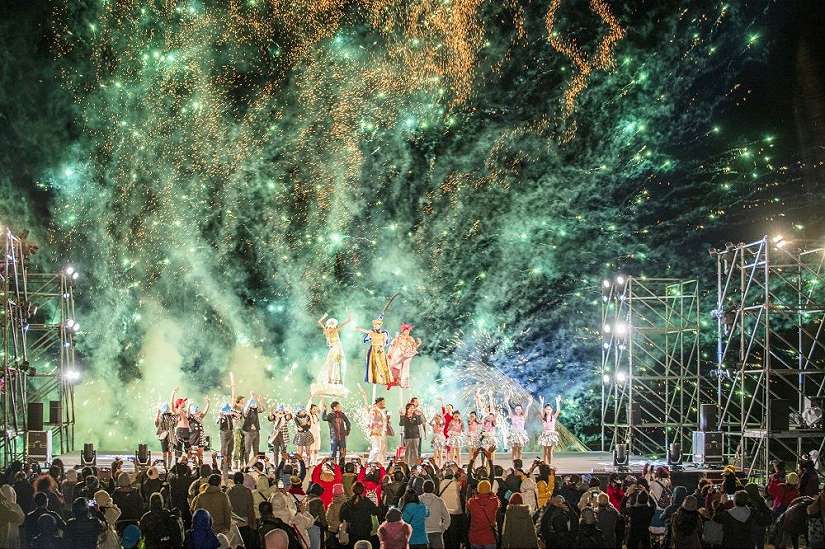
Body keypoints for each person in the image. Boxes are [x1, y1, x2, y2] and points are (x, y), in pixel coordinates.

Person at [340, 481, 380, 546]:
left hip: (352, 531)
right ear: (363, 490)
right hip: (366, 530)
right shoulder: (367, 502)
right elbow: (376, 512)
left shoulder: (347, 503)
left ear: (353, 490)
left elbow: (342, 517)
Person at [317, 312, 352, 387]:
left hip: (337, 348)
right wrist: (324, 316)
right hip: (334, 348)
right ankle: (331, 379)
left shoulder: (334, 330)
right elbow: (319, 322)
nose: (330, 328)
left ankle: (336, 380)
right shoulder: (327, 331)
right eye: (329, 326)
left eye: (332, 326)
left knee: (336, 363)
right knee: (331, 363)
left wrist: (349, 318)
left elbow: (345, 323)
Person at [386, 322, 422, 390]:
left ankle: (403, 383)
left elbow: (414, 348)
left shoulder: (410, 338)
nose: (407, 332)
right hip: (398, 354)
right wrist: (390, 353)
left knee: (405, 368)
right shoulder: (399, 338)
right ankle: (392, 381)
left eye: (408, 331)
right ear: (403, 331)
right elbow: (394, 346)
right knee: (396, 366)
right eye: (405, 331)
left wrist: (418, 344)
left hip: (406, 355)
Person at [358, 317, 392, 385]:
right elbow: (366, 331)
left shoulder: (384, 333)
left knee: (381, 364)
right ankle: (374, 378)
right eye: (375, 325)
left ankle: (383, 379)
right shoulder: (372, 332)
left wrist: (381, 347)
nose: (375, 326)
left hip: (380, 350)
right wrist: (359, 329)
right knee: (373, 364)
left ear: (380, 326)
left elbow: (385, 343)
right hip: (373, 349)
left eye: (377, 325)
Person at [467, 480, 499, 549]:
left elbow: (469, 504)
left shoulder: (472, 502)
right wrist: (492, 494)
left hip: (475, 537)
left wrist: (476, 495)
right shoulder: (494, 502)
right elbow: (497, 500)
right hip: (489, 538)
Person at [227, 471, 256, 545]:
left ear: (234, 480)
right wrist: (253, 524)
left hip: (233, 523)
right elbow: (250, 509)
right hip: (245, 522)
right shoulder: (247, 491)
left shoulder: (229, 491)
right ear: (242, 480)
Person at [419, 479, 450, 548]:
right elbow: (447, 517)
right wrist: (443, 528)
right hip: (437, 532)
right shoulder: (439, 501)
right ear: (434, 489)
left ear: (423, 488)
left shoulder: (418, 500)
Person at [505, 395, 532, 462]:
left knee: (520, 450)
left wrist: (529, 402)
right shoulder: (512, 416)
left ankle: (519, 464)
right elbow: (508, 408)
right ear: (515, 410)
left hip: (521, 434)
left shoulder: (524, 416)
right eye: (517, 409)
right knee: (514, 450)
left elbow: (527, 408)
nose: (518, 410)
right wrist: (506, 401)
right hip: (514, 434)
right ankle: (514, 463)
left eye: (519, 409)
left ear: (521, 410)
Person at [368, 397, 393, 466]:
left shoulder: (383, 411)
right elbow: (371, 422)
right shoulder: (374, 411)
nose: (383, 404)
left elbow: (385, 422)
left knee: (382, 449)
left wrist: (388, 419)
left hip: (383, 432)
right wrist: (374, 429)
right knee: (376, 449)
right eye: (382, 403)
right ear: (378, 403)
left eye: (384, 402)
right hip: (376, 432)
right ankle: (370, 462)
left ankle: (380, 464)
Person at [156, 397, 179, 471]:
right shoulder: (162, 416)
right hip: (165, 436)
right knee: (166, 452)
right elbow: (157, 424)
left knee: (168, 452)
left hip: (170, 436)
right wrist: (158, 414)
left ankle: (168, 466)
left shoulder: (171, 416)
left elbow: (175, 424)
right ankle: (166, 466)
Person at [538, 395, 562, 465]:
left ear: (551, 410)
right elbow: (540, 411)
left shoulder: (553, 417)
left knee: (550, 452)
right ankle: (545, 466)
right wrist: (541, 403)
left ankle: (550, 465)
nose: (548, 410)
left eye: (549, 409)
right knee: (545, 452)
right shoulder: (543, 417)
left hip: (552, 435)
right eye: (547, 409)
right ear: (545, 410)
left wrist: (557, 402)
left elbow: (558, 411)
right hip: (545, 435)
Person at [0, 484, 24, 549]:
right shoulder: (13, 506)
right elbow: (20, 518)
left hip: (8, 532)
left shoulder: (13, 506)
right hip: (11, 532)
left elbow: (21, 519)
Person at [242, 394, 264, 466]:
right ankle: (247, 465)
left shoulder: (255, 410)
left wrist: (259, 401)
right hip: (248, 432)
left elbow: (262, 409)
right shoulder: (246, 410)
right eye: (252, 403)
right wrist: (251, 398)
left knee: (256, 450)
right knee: (247, 450)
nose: (254, 405)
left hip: (256, 432)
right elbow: (245, 411)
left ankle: (255, 465)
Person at [308, 400, 322, 466]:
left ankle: (315, 462)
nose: (315, 410)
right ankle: (311, 461)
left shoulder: (316, 415)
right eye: (314, 409)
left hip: (317, 434)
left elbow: (320, 408)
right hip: (311, 434)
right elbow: (308, 407)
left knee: (316, 449)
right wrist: (311, 398)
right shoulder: (309, 415)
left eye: (316, 409)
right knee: (311, 449)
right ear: (310, 410)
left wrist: (321, 399)